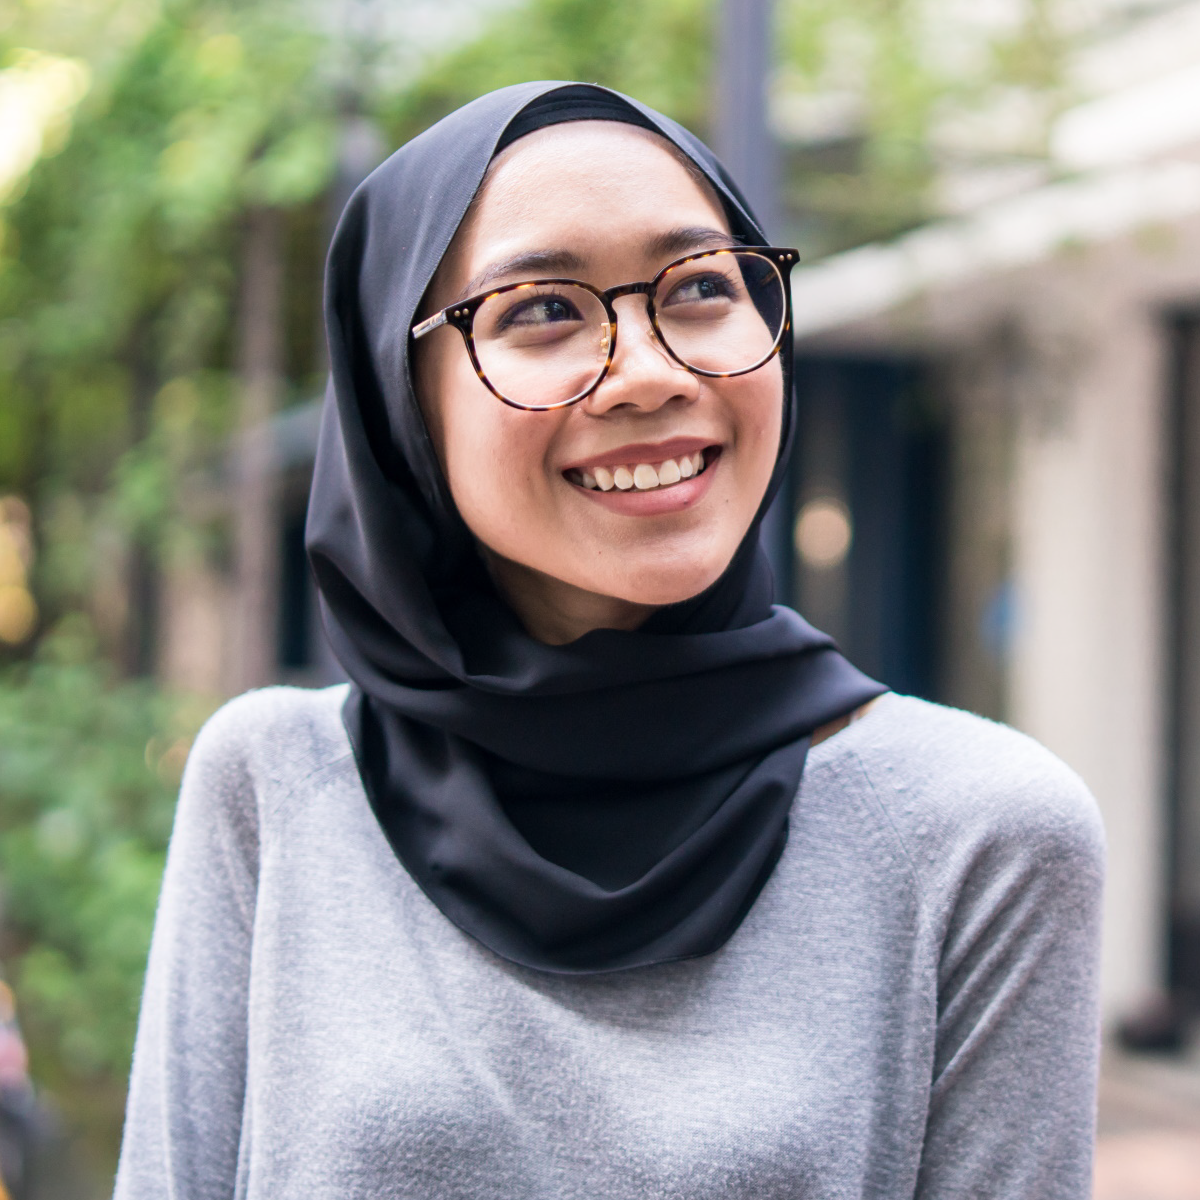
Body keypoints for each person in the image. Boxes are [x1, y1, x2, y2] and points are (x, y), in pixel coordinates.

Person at [113, 82, 1105, 1199]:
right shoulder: (277, 785)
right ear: (403, 399)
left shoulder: (981, 832)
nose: (648, 371)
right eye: (542, 309)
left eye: (698, 287)